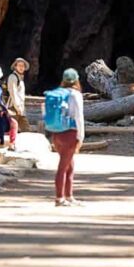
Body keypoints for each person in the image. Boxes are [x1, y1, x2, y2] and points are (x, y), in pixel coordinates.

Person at [48, 67, 85, 207]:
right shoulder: (76, 95)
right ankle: (59, 198)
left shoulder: (56, 93)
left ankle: (69, 196)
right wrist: (80, 137)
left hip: (57, 133)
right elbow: (79, 116)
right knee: (63, 166)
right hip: (70, 133)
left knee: (70, 165)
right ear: (76, 80)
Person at [7, 58, 30, 132]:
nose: (21, 67)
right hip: (14, 108)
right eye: (19, 65)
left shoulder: (20, 78)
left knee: (25, 130)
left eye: (23, 66)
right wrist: (18, 107)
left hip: (20, 108)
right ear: (15, 67)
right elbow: (13, 92)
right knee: (13, 130)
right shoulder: (13, 77)